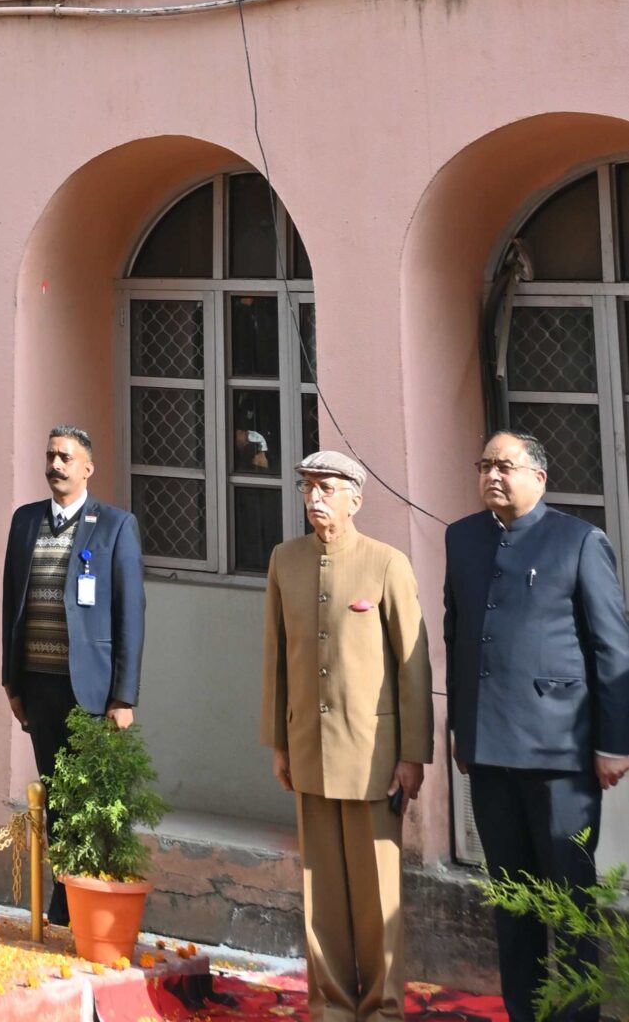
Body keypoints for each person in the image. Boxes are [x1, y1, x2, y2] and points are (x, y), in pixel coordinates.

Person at [444, 429, 629, 1022]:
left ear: (540, 478)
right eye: (485, 465)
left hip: (561, 756)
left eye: (506, 465)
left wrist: (614, 743)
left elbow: (612, 649)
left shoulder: (578, 541)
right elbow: (456, 635)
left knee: (569, 904)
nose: (493, 475)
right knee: (512, 903)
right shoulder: (463, 538)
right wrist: (461, 731)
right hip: (489, 753)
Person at [262, 450, 432, 1022]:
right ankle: (331, 1004)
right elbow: (276, 657)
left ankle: (383, 1007)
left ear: (355, 499)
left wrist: (413, 755)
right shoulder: (285, 560)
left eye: (327, 487)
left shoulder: (386, 563)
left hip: (373, 756)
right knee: (321, 892)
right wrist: (279, 742)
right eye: (308, 487)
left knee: (378, 892)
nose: (315, 497)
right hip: (309, 745)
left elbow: (413, 667)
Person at [0, 426, 146, 926]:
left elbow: (130, 614)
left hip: (92, 691)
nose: (56, 464)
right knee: (56, 795)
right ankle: (63, 902)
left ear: (88, 468)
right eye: (50, 456)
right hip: (38, 683)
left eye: (66, 457)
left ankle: (96, 905)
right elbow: (11, 603)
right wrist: (11, 681)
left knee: (93, 798)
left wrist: (123, 696)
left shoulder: (114, 526)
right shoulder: (25, 522)